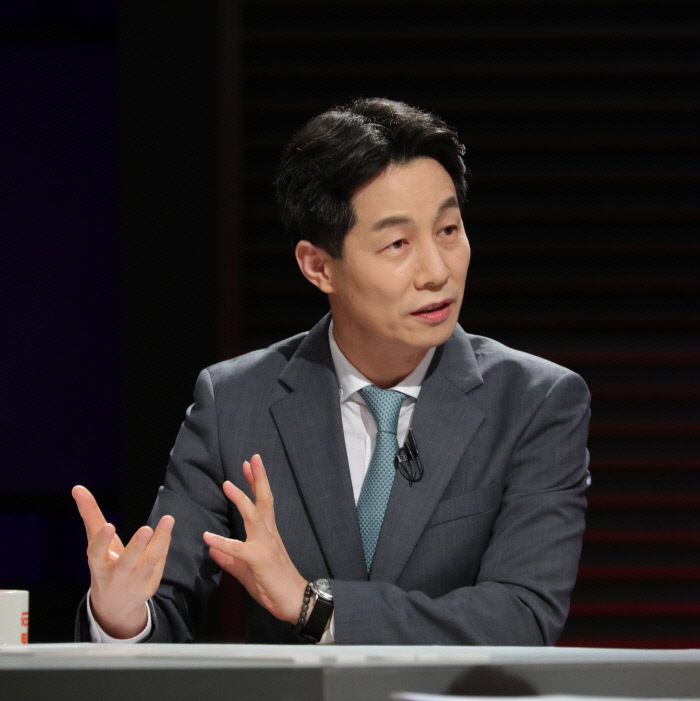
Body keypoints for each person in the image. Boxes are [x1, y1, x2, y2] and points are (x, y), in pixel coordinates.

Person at [73, 97, 590, 645]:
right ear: (318, 266)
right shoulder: (236, 402)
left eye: (448, 229)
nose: (437, 271)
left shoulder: (536, 402)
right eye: (398, 243)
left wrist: (313, 607)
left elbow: (522, 616)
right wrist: (120, 615)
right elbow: (161, 600)